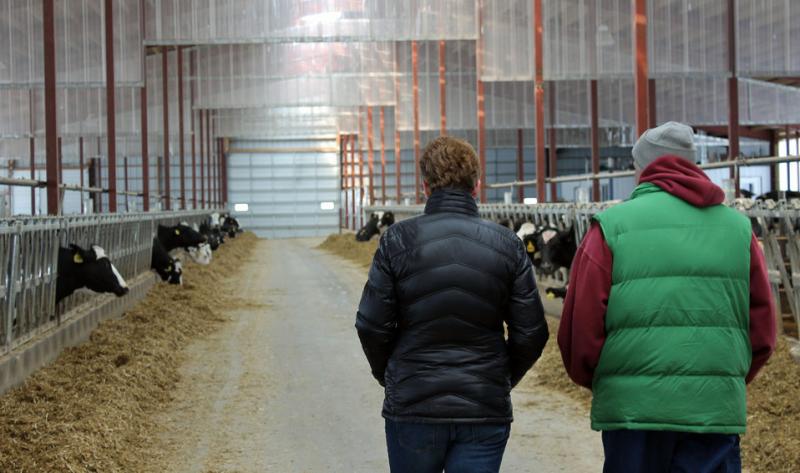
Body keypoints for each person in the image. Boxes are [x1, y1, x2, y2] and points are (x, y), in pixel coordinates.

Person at [558, 121, 777, 472]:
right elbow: (763, 333)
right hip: (712, 410)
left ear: (644, 168)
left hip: (633, 414)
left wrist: (606, 381)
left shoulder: (611, 227)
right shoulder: (739, 230)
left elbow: (579, 328)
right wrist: (720, 379)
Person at [355, 136, 549, 473]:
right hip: (483, 408)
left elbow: (371, 326)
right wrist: (500, 378)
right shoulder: (507, 245)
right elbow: (531, 333)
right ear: (476, 185)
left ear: (425, 186)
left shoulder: (397, 241)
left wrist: (392, 375)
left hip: (414, 406)